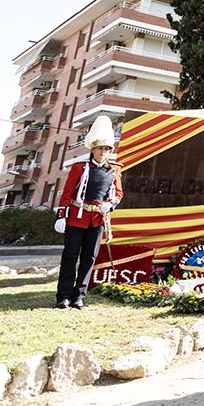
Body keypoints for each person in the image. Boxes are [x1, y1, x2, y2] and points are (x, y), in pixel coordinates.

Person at [54, 115, 122, 309]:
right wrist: (61, 216)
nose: (103, 152)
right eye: (100, 148)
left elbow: (118, 193)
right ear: (93, 149)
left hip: (97, 219)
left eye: (107, 149)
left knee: (89, 259)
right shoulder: (79, 168)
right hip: (77, 217)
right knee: (70, 256)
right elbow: (68, 193)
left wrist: (111, 204)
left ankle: (79, 296)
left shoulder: (115, 170)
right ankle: (63, 296)